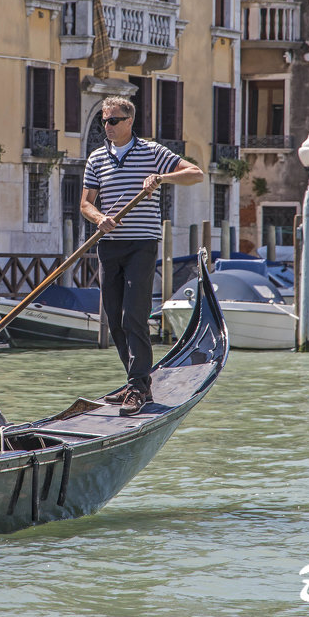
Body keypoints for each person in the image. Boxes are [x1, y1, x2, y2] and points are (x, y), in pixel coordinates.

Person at [81, 96, 203, 417]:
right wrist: (99, 219)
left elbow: (196, 173)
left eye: (113, 121)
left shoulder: (152, 152)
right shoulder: (96, 158)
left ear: (129, 121)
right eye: (104, 121)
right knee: (115, 319)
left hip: (142, 244)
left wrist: (161, 178)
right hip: (109, 245)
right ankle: (137, 380)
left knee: (134, 314)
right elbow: (85, 203)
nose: (107, 126)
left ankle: (137, 386)